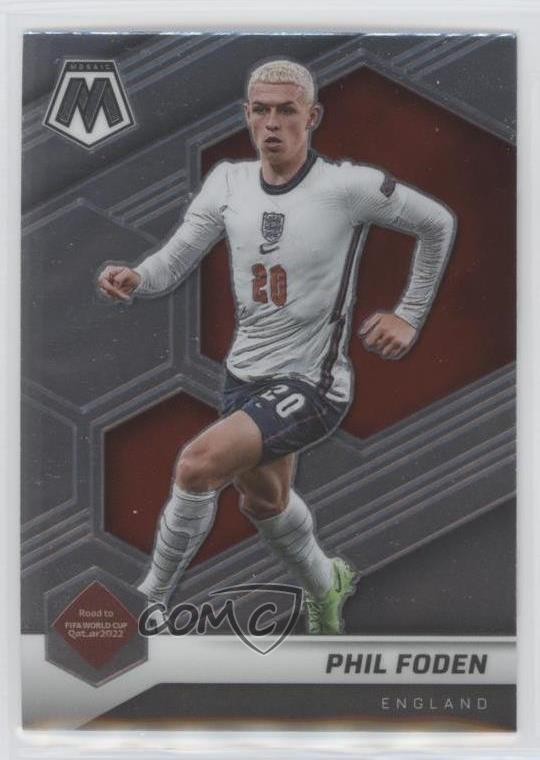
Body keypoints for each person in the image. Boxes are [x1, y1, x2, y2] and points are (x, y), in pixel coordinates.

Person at [97, 59, 456, 635]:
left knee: (197, 465)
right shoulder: (228, 182)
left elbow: (436, 223)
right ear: (246, 115)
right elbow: (174, 260)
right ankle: (327, 584)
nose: (272, 123)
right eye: (261, 110)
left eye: (287, 110)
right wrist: (137, 277)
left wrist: (409, 315)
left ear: (312, 117)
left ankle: (148, 601)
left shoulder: (348, 187)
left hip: (313, 383)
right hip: (243, 377)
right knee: (265, 504)